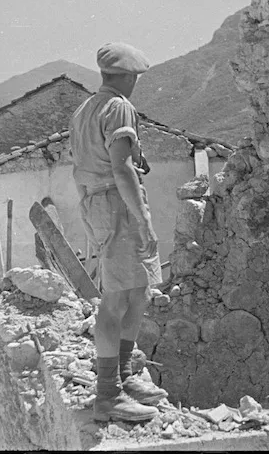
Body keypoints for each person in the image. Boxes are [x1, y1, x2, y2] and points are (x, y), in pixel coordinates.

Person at [68, 42, 167, 422]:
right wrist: (141, 219)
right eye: (136, 78)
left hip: (99, 205)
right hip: (118, 204)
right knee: (115, 300)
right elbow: (123, 168)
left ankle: (123, 376)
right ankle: (108, 395)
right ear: (127, 76)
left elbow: (80, 169)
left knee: (138, 289)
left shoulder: (84, 110)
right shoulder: (118, 106)